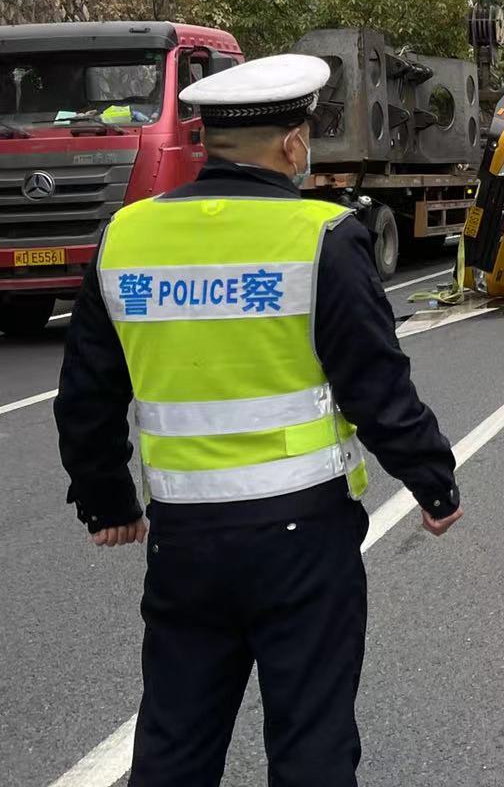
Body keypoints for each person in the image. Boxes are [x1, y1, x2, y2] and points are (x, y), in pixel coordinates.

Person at [55, 53, 463, 787]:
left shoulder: (126, 238)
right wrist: (432, 481)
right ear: (294, 144)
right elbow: (377, 387)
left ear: (207, 140)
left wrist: (106, 498)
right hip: (302, 535)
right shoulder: (324, 237)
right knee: (311, 737)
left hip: (182, 537)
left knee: (176, 739)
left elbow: (85, 389)